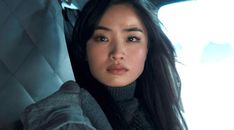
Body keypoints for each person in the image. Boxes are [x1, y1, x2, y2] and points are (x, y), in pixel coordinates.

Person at [21, 0, 187, 130]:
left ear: (148, 49)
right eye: (102, 38)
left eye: (132, 39)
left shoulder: (156, 107)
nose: (117, 53)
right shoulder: (64, 112)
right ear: (85, 50)